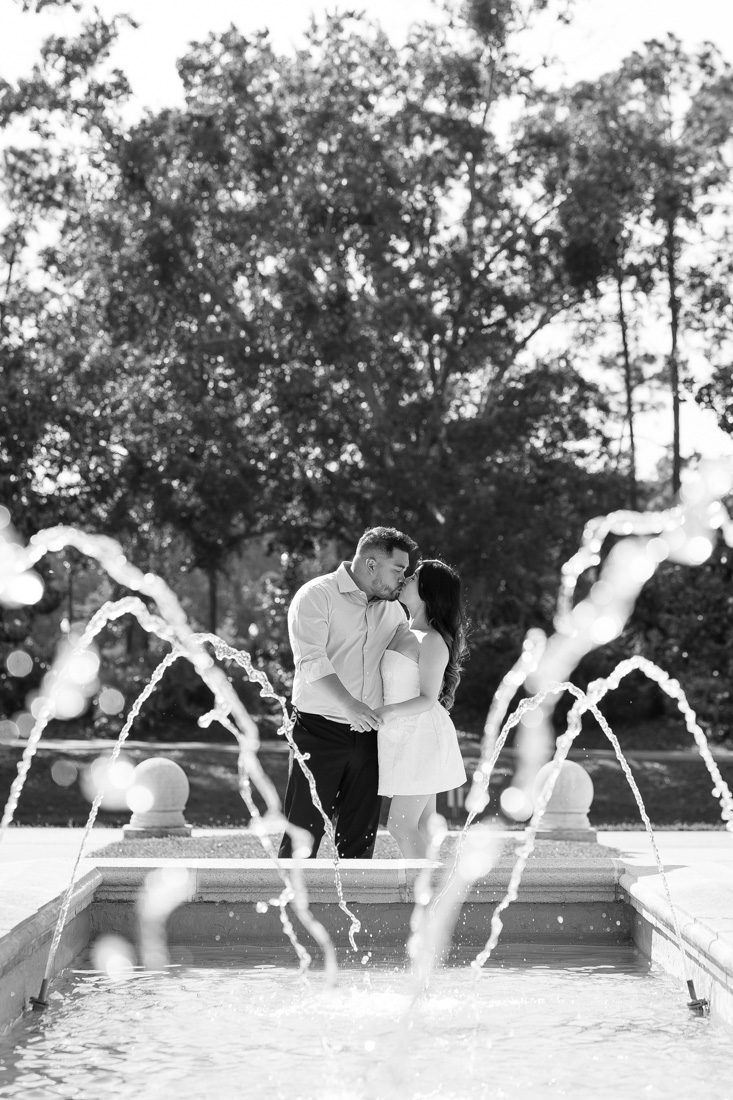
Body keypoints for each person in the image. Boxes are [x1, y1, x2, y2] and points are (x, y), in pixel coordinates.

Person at [278, 526, 419, 859]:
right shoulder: (316, 596)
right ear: (370, 564)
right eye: (397, 569)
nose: (403, 578)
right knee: (301, 841)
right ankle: (290, 910)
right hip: (317, 733)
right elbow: (311, 662)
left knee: (359, 844)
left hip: (372, 739)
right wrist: (349, 705)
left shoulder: (396, 612)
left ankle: (353, 911)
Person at [375, 559, 468, 858]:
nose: (406, 577)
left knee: (400, 825)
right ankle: (435, 896)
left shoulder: (433, 640)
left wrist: (386, 713)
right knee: (426, 823)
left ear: (428, 590)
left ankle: (424, 898)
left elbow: (428, 697)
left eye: (414, 576)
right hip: (401, 734)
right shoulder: (402, 628)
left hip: (421, 736)